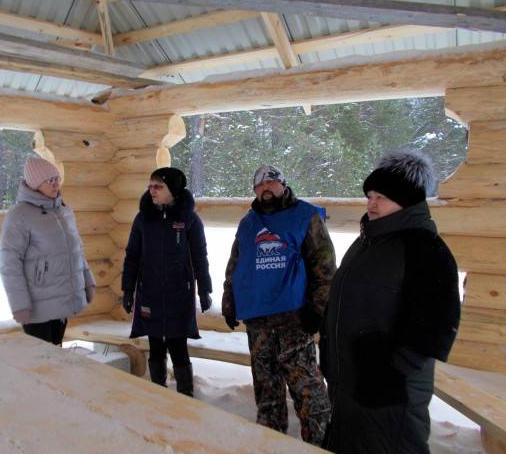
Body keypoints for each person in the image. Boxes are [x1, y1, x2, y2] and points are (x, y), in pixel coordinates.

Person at [320, 151, 461, 454]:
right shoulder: (366, 242)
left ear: (405, 200)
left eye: (380, 197)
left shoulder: (424, 248)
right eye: (370, 195)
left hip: (390, 394)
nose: (371, 203)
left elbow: (438, 322)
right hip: (351, 383)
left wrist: (393, 369)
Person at [222, 165, 335, 446]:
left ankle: (320, 446)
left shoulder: (305, 216)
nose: (265, 188)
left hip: (294, 322)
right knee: (267, 394)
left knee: (308, 393)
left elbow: (325, 268)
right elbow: (236, 266)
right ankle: (269, 445)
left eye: (271, 182)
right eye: (259, 184)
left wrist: (316, 310)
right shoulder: (248, 223)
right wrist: (229, 301)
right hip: (258, 324)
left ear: (283, 185)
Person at [121, 167, 212, 397]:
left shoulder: (188, 218)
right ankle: (158, 394)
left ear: (173, 189)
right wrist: (128, 289)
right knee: (156, 345)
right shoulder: (143, 218)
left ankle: (185, 396)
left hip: (179, 293)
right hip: (149, 291)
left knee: (178, 346)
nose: (152, 191)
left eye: (158, 186)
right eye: (150, 186)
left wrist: (205, 289)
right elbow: (132, 255)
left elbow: (200, 255)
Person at [0, 157, 96, 346]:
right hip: (37, 307)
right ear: (35, 184)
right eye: (49, 180)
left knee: (56, 356)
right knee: (40, 363)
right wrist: (20, 305)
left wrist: (88, 281)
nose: (56, 184)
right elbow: (9, 264)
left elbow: (76, 251)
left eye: (56, 178)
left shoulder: (63, 210)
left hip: (63, 301)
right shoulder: (19, 215)